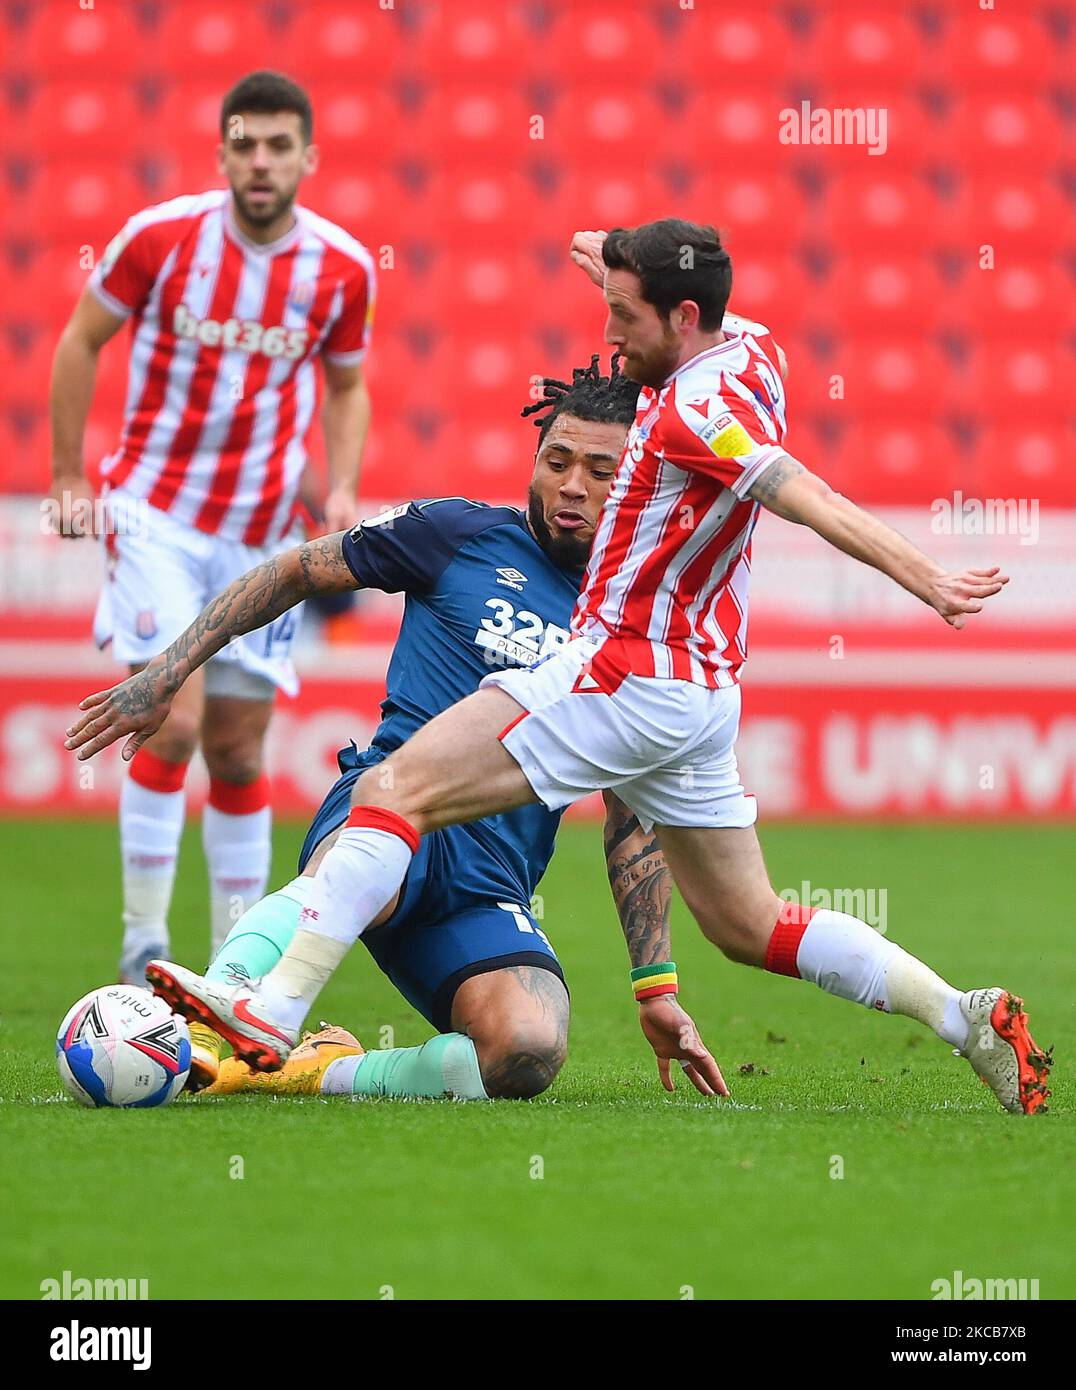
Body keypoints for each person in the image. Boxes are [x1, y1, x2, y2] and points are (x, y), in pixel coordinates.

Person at [68, 219, 1051, 1115]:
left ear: (679, 319)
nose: (611, 334)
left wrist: (921, 574)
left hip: (627, 666)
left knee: (394, 786)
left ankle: (274, 1012)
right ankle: (955, 1014)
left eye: (624, 317)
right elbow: (300, 569)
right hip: (701, 695)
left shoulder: (688, 416)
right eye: (557, 461)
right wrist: (656, 986)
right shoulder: (757, 356)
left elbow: (801, 495)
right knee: (750, 921)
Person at [162, 357, 727, 1102]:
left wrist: (655, 985)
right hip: (389, 805)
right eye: (556, 461)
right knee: (369, 852)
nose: (572, 485)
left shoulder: (638, 628)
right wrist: (166, 673)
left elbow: (633, 818)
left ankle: (320, 1072)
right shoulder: (454, 533)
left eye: (599, 469)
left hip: (490, 878)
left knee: (527, 1051)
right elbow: (300, 570)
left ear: (636, 486)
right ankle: (214, 1013)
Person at [49, 70, 376, 991]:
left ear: (308, 157)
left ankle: (232, 972)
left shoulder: (344, 268)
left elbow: (347, 386)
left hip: (263, 536)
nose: (260, 161)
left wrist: (342, 487)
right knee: (169, 717)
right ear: (224, 152)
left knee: (236, 746)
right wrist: (70, 475)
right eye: (245, 144)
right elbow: (80, 340)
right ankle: (143, 948)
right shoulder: (159, 241)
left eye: (278, 145)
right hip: (155, 512)